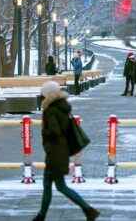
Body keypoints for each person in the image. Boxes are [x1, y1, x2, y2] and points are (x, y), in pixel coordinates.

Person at [33, 81, 99, 221]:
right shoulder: (62, 108)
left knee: (59, 186)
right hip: (60, 151)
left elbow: (54, 131)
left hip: (55, 153)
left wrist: (46, 132)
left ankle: (88, 210)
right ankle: (41, 216)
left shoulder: (51, 110)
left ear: (48, 95)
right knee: (52, 186)